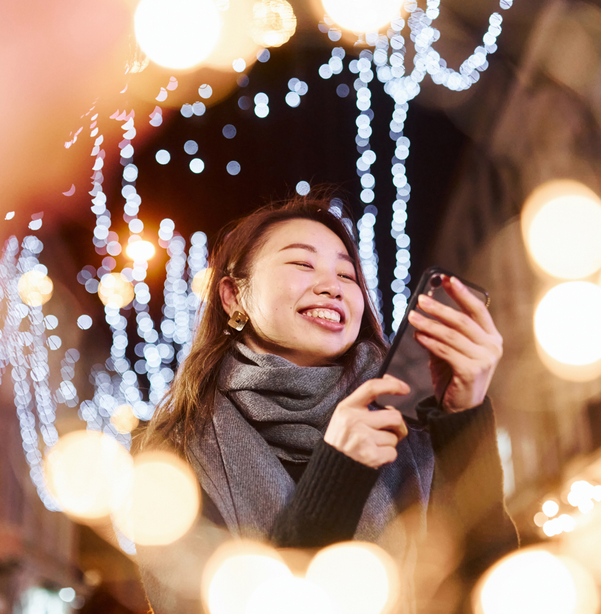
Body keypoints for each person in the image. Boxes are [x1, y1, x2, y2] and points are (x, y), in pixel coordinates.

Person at [136, 196, 518, 613]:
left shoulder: (408, 422)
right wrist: (337, 473)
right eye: (302, 264)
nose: (332, 286)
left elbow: (491, 586)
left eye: (347, 274)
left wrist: (465, 419)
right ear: (233, 296)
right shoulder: (172, 451)